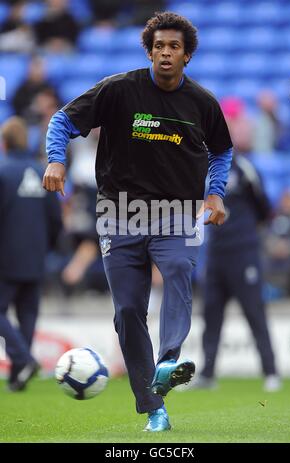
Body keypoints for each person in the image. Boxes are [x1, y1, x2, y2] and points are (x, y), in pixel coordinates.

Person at [42, 12, 233, 432]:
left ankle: (168, 360)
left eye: (174, 47)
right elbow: (61, 120)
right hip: (120, 212)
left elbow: (222, 151)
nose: (166, 53)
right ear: (149, 51)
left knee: (180, 268)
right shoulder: (118, 90)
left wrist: (215, 193)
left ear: (187, 56)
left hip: (178, 212)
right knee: (128, 310)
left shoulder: (202, 103)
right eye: (159, 46)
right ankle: (154, 408)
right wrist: (56, 159)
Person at [190, 154, 281, 392]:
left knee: (254, 313)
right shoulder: (203, 169)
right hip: (216, 254)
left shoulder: (244, 168)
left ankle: (271, 372)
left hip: (244, 254)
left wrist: (245, 233)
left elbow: (264, 206)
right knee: (211, 316)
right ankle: (207, 375)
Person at [0, 117, 62, 392]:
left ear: (4, 142)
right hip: (36, 258)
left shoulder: (2, 172)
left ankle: (23, 359)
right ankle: (18, 376)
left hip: (5, 258)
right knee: (27, 315)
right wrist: (46, 248)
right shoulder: (42, 172)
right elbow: (56, 220)